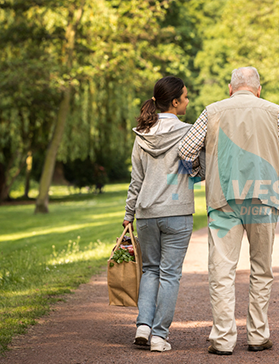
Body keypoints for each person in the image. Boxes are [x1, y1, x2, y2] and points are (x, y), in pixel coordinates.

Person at [178, 67, 279, 355]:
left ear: (230, 87)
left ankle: (223, 340)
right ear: (259, 89)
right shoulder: (273, 111)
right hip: (264, 198)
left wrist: (201, 173)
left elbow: (186, 150)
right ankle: (258, 336)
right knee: (262, 268)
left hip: (223, 199)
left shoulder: (212, 111)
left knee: (222, 270)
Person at [123, 76, 197, 352]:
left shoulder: (142, 134)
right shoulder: (189, 132)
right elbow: (195, 170)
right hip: (177, 213)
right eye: (185, 97)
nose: (188, 101)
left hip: (146, 214)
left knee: (150, 270)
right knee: (170, 274)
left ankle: (143, 325)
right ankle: (159, 336)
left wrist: (129, 214)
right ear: (175, 102)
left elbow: (136, 180)